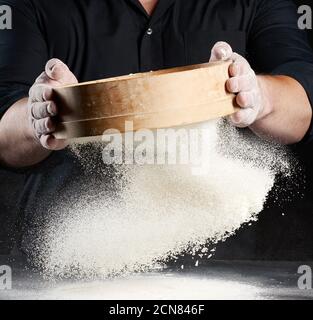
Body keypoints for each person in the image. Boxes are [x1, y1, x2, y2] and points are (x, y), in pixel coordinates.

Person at [0, 0, 313, 254]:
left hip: (223, 270)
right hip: (72, 262)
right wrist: (39, 118)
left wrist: (260, 97)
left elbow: (302, 99)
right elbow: (5, 129)